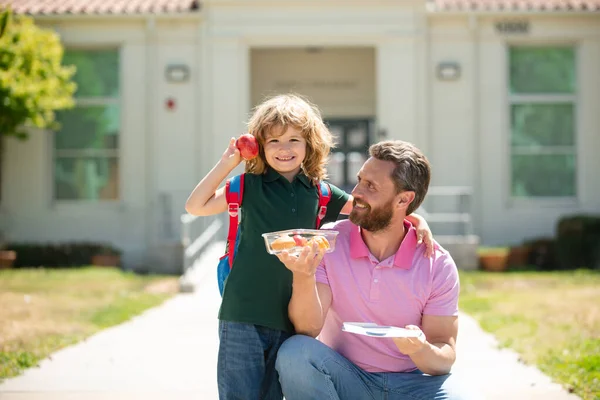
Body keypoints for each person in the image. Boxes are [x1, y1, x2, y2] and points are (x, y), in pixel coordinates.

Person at [185, 95, 435, 400]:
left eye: (294, 139)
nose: (284, 148)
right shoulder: (247, 186)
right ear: (261, 146)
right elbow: (196, 206)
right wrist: (227, 164)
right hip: (241, 314)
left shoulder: (322, 194)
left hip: (288, 319)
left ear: (309, 144)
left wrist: (416, 220)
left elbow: (369, 209)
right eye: (274, 140)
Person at [274, 140, 474, 400]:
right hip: (347, 378)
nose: (356, 192)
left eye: (371, 186)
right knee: (295, 352)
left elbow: (444, 356)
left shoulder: (436, 263)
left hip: (412, 383)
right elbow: (308, 329)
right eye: (359, 180)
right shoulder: (329, 242)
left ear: (404, 199)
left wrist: (419, 348)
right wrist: (303, 275)